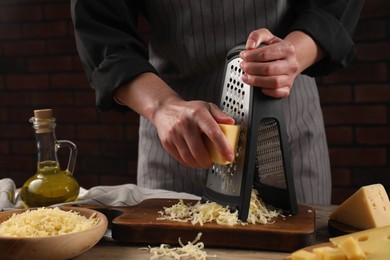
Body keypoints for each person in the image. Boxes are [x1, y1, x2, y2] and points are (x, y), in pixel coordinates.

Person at [71, 0, 364, 204]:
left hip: (285, 137)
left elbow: (333, 6)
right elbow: (102, 26)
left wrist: (292, 55)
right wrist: (162, 107)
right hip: (175, 138)